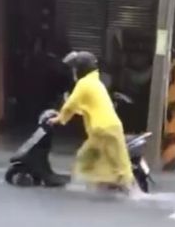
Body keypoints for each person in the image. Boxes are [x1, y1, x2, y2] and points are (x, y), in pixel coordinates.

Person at [48, 51, 135, 192]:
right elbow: (86, 108)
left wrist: (59, 119)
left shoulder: (84, 83)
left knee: (108, 162)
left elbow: (71, 104)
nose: (74, 72)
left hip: (103, 129)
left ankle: (132, 192)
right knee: (98, 159)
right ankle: (97, 185)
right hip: (106, 129)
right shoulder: (95, 82)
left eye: (75, 68)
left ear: (81, 69)